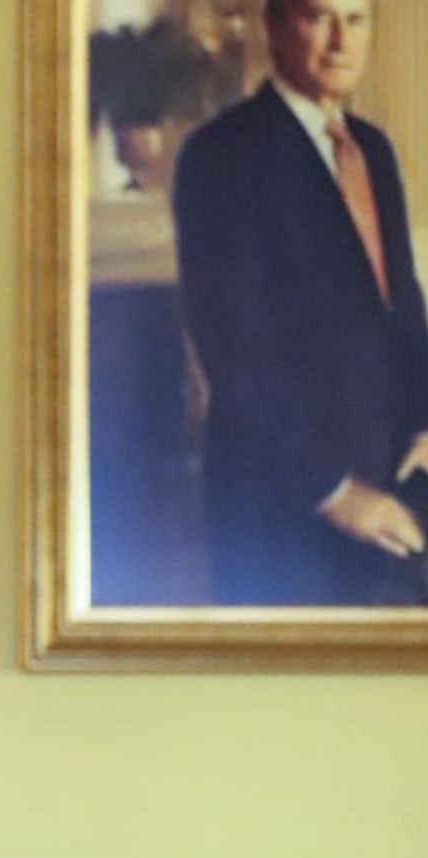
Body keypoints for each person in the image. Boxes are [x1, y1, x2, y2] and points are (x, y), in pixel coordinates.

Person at [172, 0, 428, 604]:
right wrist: (336, 493)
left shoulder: (374, 150)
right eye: (320, 18)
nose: (342, 41)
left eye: (357, 20)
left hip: (393, 490)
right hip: (283, 505)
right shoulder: (221, 155)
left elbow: (403, 309)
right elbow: (235, 352)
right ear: (275, 27)